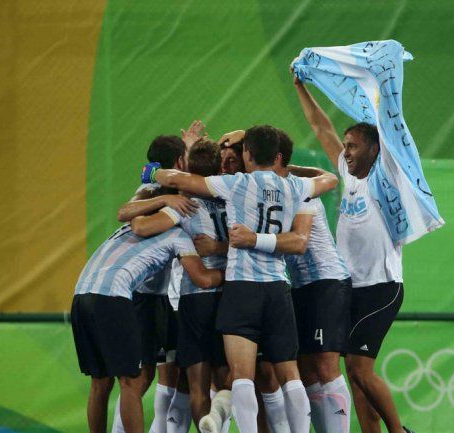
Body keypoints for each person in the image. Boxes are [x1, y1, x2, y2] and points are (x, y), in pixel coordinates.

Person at [140, 124, 339, 433]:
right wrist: (288, 168)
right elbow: (329, 178)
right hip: (278, 288)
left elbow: (178, 179)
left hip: (241, 289)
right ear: (277, 156)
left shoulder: (234, 184)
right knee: (290, 374)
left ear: (246, 153)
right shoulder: (294, 187)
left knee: (242, 376)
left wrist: (151, 174)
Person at [294, 71, 413, 433]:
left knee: (360, 368)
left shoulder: (386, 178)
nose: (345, 151)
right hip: (348, 287)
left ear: (374, 149)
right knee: (354, 372)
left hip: (381, 286)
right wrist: (301, 87)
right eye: (345, 145)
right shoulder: (346, 176)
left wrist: (383, 89)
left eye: (353, 145)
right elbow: (320, 126)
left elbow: (392, 133)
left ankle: (398, 431)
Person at [228, 129, 353, 433]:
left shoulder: (298, 188)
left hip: (326, 281)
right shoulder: (272, 188)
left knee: (325, 367)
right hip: (298, 285)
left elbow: (299, 241)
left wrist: (251, 239)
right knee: (307, 372)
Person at [71, 220, 224, 433]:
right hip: (117, 296)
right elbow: (203, 279)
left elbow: (126, 211)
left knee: (101, 382)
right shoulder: (177, 235)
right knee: (132, 382)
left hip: (80, 295)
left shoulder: (129, 225)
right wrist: (235, 274)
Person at [129, 139, 231, 432]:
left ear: (186, 168)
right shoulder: (233, 195)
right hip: (229, 295)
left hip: (194, 298)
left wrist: (159, 199)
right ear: (220, 166)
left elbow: (141, 227)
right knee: (227, 380)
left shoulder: (185, 202)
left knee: (194, 386)